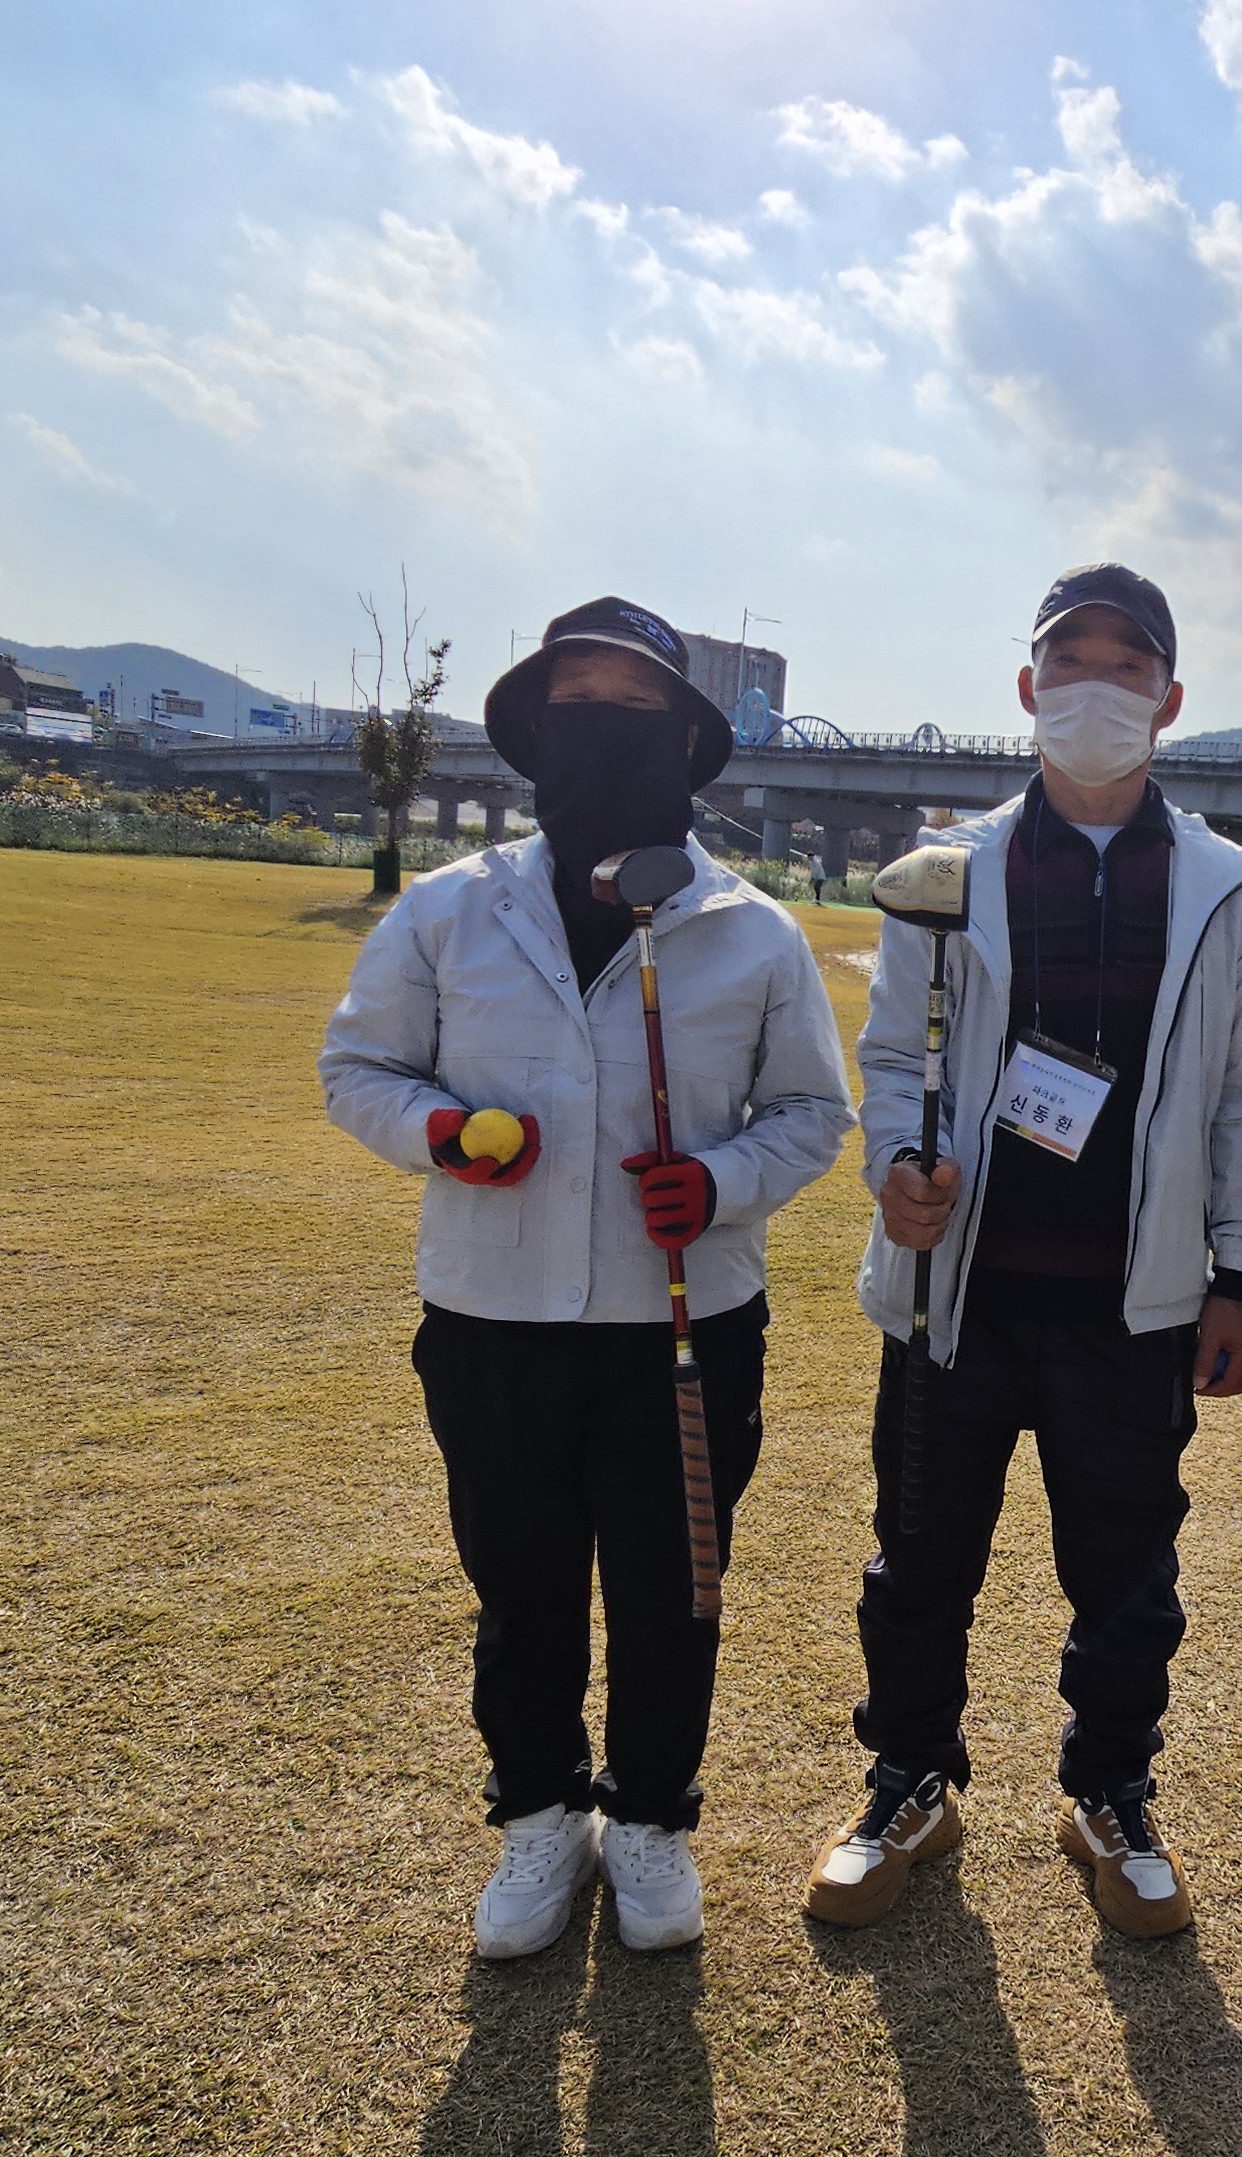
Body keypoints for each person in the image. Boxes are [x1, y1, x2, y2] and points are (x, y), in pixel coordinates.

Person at [320, 596, 851, 1961]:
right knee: (523, 1589)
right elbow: (359, 1068)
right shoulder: (450, 910)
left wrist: (721, 1182)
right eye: (577, 708)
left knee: (678, 1595)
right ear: (533, 734)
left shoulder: (754, 931)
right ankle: (540, 1813)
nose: (604, 732)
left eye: (635, 709)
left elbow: (813, 1112)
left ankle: (654, 1816)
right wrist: (441, 1132)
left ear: (684, 741)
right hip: (492, 1322)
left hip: (686, 1331)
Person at [803, 564, 1242, 1940]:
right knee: (918, 1561)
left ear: (1169, 701)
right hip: (953, 1291)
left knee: (1128, 1576)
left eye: (1128, 666)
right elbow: (894, 1056)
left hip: (1135, 1305)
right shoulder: (943, 872)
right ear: (1027, 685)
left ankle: (1110, 1794)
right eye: (1071, 661)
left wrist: (1236, 1277)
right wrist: (893, 1171)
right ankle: (909, 1782)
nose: (1096, 688)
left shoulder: (1224, 884)